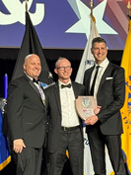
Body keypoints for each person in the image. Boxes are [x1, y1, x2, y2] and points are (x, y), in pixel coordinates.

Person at [83, 37, 126, 175]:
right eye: (96, 48)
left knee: (118, 166)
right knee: (98, 168)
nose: (99, 51)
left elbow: (120, 101)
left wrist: (98, 116)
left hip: (111, 125)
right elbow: (87, 99)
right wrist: (88, 113)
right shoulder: (88, 73)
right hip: (92, 127)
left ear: (106, 50)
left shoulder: (117, 71)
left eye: (102, 48)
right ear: (92, 51)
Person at [3, 54, 47, 175]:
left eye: (38, 64)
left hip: (38, 139)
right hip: (25, 140)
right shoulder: (18, 84)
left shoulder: (40, 86)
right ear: (24, 67)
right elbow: (13, 111)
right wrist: (16, 137)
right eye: (33, 64)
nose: (37, 66)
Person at [45, 57, 85, 175]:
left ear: (71, 70)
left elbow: (87, 107)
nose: (66, 70)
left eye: (68, 67)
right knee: (53, 170)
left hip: (76, 134)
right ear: (56, 71)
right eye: (62, 68)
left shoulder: (81, 89)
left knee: (78, 170)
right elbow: (44, 115)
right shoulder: (48, 91)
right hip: (57, 134)